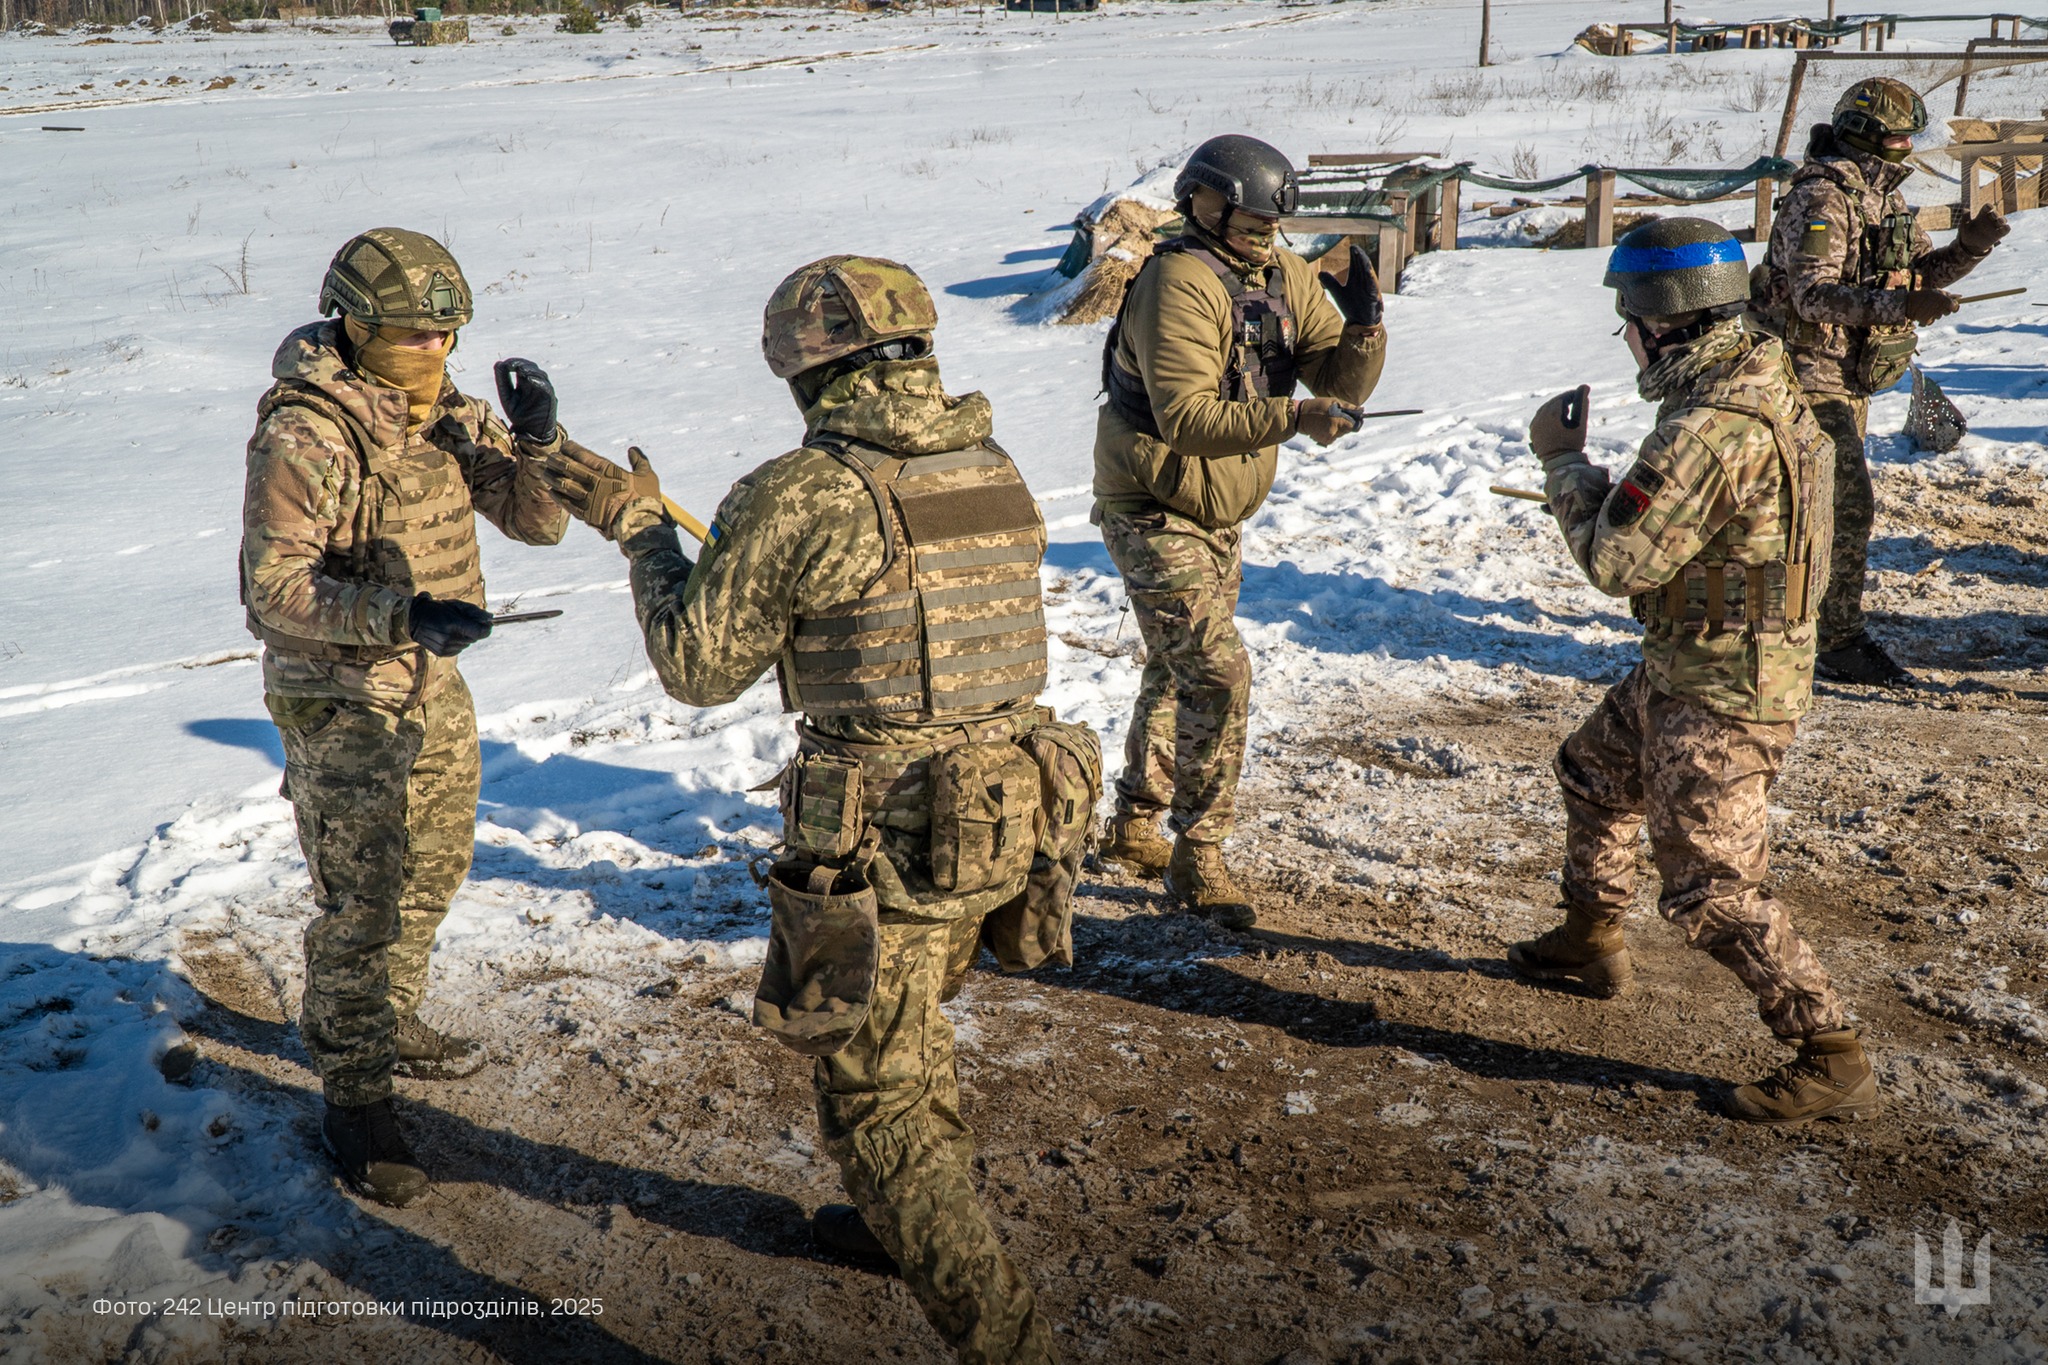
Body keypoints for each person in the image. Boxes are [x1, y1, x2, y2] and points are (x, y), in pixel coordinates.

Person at [539, 256, 1091, 1365]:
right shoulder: (987, 460)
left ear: (803, 372)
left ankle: (1008, 1336)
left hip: (886, 839)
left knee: (872, 1094)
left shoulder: (803, 492)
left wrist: (643, 536)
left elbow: (698, 668)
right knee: (912, 1029)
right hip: (1008, 818)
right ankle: (908, 1223)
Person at [1511, 218, 1878, 1126]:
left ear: (1662, 323)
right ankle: (1593, 936)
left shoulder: (1710, 430)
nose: (1627, 337)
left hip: (1724, 687)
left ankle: (1830, 1049)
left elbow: (1616, 563)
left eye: (1628, 319)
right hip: (1699, 660)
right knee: (1593, 771)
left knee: (1710, 885)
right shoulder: (1758, 378)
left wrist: (1562, 464)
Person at [240, 227, 570, 1205]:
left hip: (432, 680)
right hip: (341, 694)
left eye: (450, 336)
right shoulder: (307, 432)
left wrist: (538, 443)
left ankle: (388, 1016)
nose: (440, 354)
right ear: (357, 323)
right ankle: (356, 1098)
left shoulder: (446, 416)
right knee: (363, 898)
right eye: (419, 337)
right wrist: (400, 613)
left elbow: (534, 521)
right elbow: (272, 588)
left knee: (433, 863)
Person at [1091, 133, 1388, 929]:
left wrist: (1363, 328)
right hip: (1154, 498)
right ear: (1206, 204)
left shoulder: (1282, 273)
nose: (1266, 235)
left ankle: (1132, 825)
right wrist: (1294, 416)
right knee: (1218, 671)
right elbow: (1186, 416)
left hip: (1221, 506)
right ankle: (1200, 854)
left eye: (1274, 223)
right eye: (1253, 220)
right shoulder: (1179, 281)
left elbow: (1332, 374)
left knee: (1178, 663)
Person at [1757, 76, 2010, 686]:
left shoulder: (1881, 196)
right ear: (1867, 136)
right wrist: (1902, 309)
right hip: (1805, 374)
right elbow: (1813, 296)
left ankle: (1802, 622)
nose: (1906, 146)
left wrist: (1968, 249)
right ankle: (1836, 642)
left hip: (1849, 374)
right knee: (1844, 508)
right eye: (1898, 135)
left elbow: (1916, 269)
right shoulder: (1823, 197)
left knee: (1819, 508)